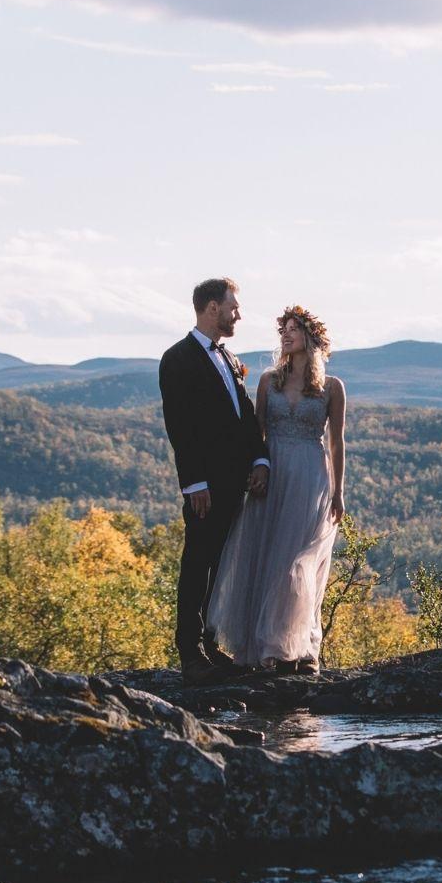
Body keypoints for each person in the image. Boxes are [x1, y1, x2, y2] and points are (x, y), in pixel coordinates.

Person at [206, 304, 347, 673]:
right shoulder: (270, 380)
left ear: (310, 338)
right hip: (274, 474)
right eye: (283, 330)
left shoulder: (332, 388)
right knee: (267, 558)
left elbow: (337, 444)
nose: (285, 335)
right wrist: (256, 468)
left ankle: (300, 645)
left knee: (298, 564)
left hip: (311, 479)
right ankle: (265, 647)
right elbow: (258, 432)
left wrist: (338, 492)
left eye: (293, 330)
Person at [158, 277, 268, 683]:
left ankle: (208, 643)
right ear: (210, 308)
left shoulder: (227, 356)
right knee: (197, 562)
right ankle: (188, 653)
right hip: (205, 486)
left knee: (219, 564)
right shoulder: (178, 359)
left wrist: (259, 459)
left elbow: (244, 415)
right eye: (232, 306)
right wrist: (194, 484)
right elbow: (180, 428)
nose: (237, 313)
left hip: (234, 480)